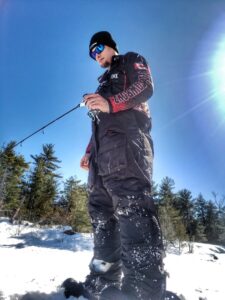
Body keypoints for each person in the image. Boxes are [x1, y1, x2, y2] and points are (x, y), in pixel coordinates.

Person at [63, 31, 166, 300]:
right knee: (101, 217)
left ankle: (144, 290)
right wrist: (88, 152)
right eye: (91, 53)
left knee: (133, 209)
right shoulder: (102, 84)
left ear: (111, 45)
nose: (95, 55)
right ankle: (101, 279)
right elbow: (101, 120)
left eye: (98, 48)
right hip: (101, 157)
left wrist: (110, 102)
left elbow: (145, 87)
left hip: (128, 148)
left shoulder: (131, 60)